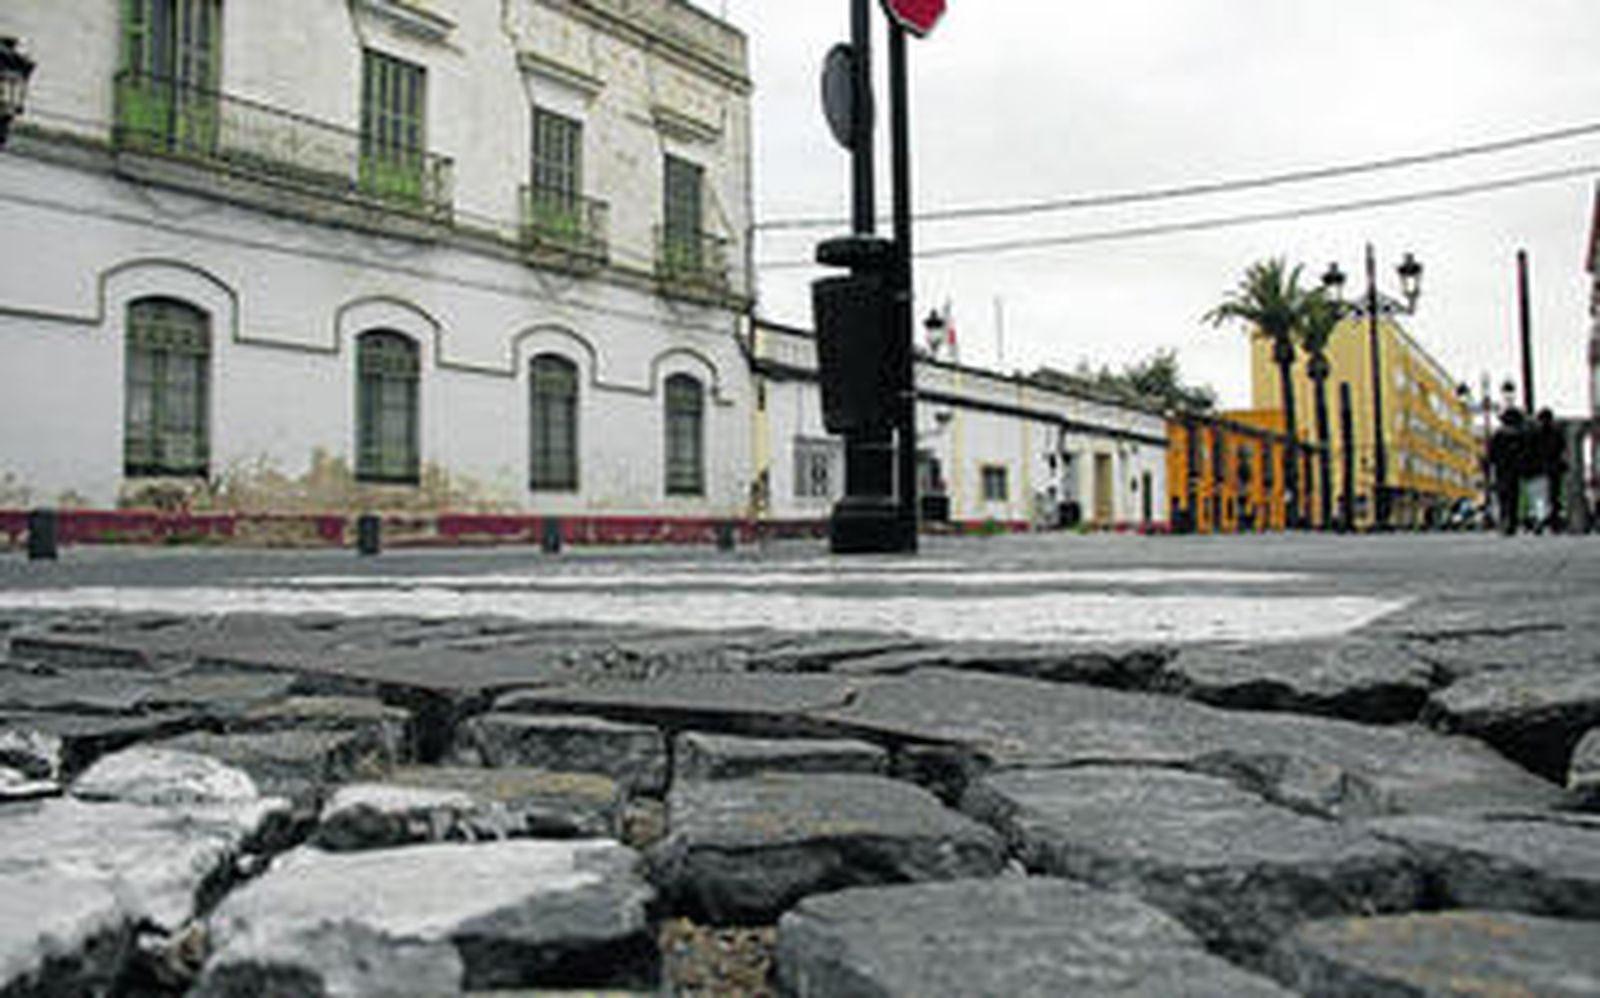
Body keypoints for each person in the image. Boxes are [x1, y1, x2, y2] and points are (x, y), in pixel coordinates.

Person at [1488, 407, 1526, 535]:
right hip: (1514, 469)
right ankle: (1512, 522)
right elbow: (1525, 454)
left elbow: (1491, 454)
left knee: (1503, 496)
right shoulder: (1520, 435)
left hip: (1501, 469)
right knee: (1513, 496)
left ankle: (1505, 520)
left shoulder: (1498, 435)